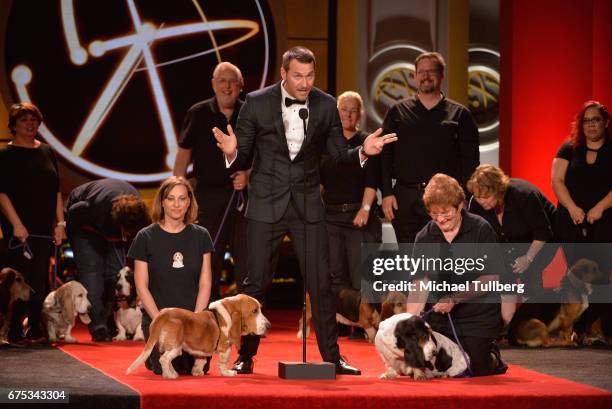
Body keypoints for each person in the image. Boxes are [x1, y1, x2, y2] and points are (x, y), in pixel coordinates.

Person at [213, 46, 397, 375]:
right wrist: (232, 153)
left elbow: (338, 154)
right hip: (265, 204)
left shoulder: (326, 105)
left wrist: (362, 153)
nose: (304, 82)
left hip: (308, 205)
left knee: (321, 284)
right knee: (254, 284)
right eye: (297, 76)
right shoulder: (256, 102)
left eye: (310, 76)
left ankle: (332, 357)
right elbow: (241, 152)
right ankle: (246, 356)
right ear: (283, 73)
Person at [406, 173, 508, 377]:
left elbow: (490, 279)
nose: (440, 219)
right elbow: (419, 284)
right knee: (431, 365)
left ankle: (493, 355)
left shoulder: (481, 229)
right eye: (434, 214)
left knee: (473, 366)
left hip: (478, 315)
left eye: (445, 213)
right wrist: (410, 322)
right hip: (439, 318)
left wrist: (454, 298)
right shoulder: (424, 238)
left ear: (460, 206)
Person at [381, 52, 479, 243]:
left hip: (446, 200)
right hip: (405, 198)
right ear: (415, 76)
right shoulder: (397, 112)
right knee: (409, 261)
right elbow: (385, 154)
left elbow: (471, 162)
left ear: (442, 75)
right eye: (421, 72)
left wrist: (464, 198)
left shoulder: (460, 115)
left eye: (431, 71)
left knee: (442, 261)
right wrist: (386, 193)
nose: (426, 76)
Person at [173, 62, 249, 298]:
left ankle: (247, 319)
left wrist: (248, 175)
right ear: (213, 85)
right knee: (208, 257)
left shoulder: (250, 113)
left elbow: (265, 154)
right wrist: (177, 189)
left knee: (246, 258)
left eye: (232, 81)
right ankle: (207, 315)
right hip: (206, 195)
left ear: (241, 85)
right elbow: (183, 153)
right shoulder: (198, 112)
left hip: (243, 198)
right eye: (222, 81)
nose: (227, 86)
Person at [128, 176, 213, 375]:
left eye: (182, 199)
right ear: (162, 202)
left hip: (192, 322)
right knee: (164, 367)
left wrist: (196, 322)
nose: (176, 204)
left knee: (193, 368)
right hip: (160, 321)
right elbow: (141, 286)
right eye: (171, 198)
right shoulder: (145, 237)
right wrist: (162, 322)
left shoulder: (201, 236)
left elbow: (205, 284)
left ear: (189, 202)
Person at [0, 103, 64, 343]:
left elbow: (56, 189)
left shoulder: (47, 151)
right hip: (18, 229)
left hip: (43, 228)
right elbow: (2, 193)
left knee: (39, 279)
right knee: (18, 280)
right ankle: (13, 326)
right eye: (24, 120)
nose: (30, 124)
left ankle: (35, 326)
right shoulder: (5, 155)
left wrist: (60, 224)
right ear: (14, 124)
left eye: (34, 120)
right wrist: (16, 224)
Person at [320, 91, 381, 338]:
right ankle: (342, 322)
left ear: (360, 114)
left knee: (361, 275)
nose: (348, 114)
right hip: (330, 217)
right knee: (336, 274)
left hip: (358, 216)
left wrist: (365, 209)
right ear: (336, 112)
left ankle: (363, 321)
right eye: (343, 109)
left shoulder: (367, 141)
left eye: (353, 110)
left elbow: (372, 180)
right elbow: (321, 180)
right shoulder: (326, 142)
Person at [551, 100, 611, 338]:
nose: (591, 125)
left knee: (603, 274)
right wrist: (573, 207)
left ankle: (599, 329)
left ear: (605, 123)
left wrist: (600, 207)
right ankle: (575, 329)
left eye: (596, 120)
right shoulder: (568, 148)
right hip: (572, 221)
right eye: (586, 120)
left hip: (605, 220)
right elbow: (557, 181)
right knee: (575, 276)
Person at [467, 164, 557, 322]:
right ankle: (508, 327)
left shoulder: (523, 194)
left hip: (540, 242)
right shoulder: (476, 203)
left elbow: (542, 232)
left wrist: (528, 258)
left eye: (486, 197)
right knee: (504, 279)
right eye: (478, 196)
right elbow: (478, 236)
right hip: (507, 244)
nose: (481, 202)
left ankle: (532, 327)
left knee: (532, 279)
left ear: (499, 190)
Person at [65, 178, 150, 342]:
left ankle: (113, 322)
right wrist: (78, 245)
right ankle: (98, 326)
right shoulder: (93, 209)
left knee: (116, 275)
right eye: (126, 231)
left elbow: (144, 248)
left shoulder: (142, 218)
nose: (128, 235)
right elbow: (72, 216)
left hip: (110, 224)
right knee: (92, 272)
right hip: (84, 228)